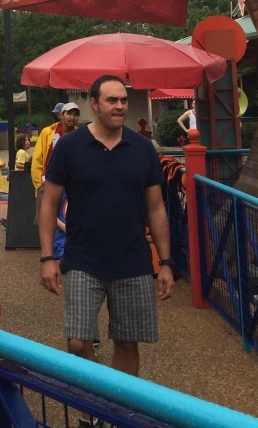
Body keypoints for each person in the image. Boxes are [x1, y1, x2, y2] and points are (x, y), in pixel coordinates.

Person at [39, 75, 174, 377]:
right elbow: (48, 203)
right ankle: (97, 401)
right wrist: (47, 257)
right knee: (77, 342)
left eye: (124, 100)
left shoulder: (142, 148)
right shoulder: (70, 147)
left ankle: (116, 413)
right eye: (112, 100)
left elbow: (156, 208)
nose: (120, 106)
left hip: (132, 259)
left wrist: (165, 262)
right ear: (95, 104)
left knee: (127, 342)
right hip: (83, 257)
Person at [31, 102, 81, 225]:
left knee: (69, 218)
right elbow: (37, 158)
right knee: (45, 220)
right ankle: (46, 245)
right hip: (47, 183)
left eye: (75, 114)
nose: (72, 117)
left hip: (71, 186)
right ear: (61, 115)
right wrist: (39, 183)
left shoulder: (80, 135)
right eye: (69, 113)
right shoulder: (48, 133)